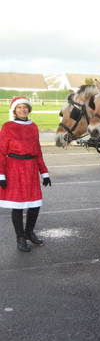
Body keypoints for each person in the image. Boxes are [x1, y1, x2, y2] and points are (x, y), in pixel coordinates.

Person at [0, 97, 51, 252]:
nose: (22, 110)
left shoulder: (33, 127)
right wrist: (1, 174)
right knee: (18, 206)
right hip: (14, 168)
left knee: (34, 204)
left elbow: (38, 151)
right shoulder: (8, 127)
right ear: (14, 110)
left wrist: (44, 172)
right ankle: (20, 237)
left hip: (31, 168)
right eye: (19, 107)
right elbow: (1, 152)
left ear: (29, 109)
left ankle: (29, 232)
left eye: (25, 107)